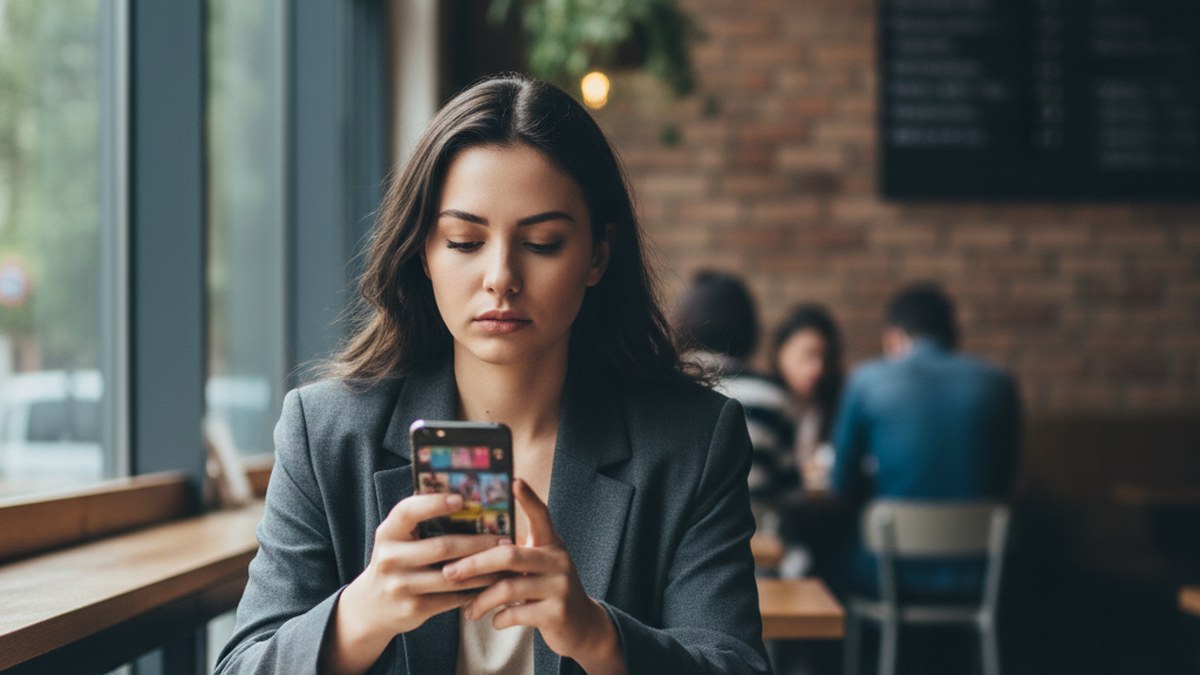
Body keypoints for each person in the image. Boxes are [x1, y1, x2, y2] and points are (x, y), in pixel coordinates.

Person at [215, 74, 769, 675]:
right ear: (423, 250)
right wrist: (361, 614)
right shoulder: (325, 432)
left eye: (542, 243)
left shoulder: (692, 441)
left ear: (598, 256)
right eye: (464, 241)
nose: (500, 277)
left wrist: (598, 635)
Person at [830, 282, 1022, 599]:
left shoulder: (865, 381)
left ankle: (869, 649)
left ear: (892, 338)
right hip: (981, 570)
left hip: (890, 570)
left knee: (828, 555)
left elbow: (842, 485)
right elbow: (1009, 482)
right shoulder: (999, 383)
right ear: (953, 336)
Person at [673, 270, 797, 515]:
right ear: (748, 326)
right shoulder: (772, 394)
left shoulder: (659, 388)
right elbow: (789, 486)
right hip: (756, 540)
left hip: (673, 540)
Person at [770, 304, 844, 492]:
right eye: (807, 355)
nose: (817, 368)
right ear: (781, 352)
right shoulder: (767, 406)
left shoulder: (835, 407)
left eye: (824, 358)